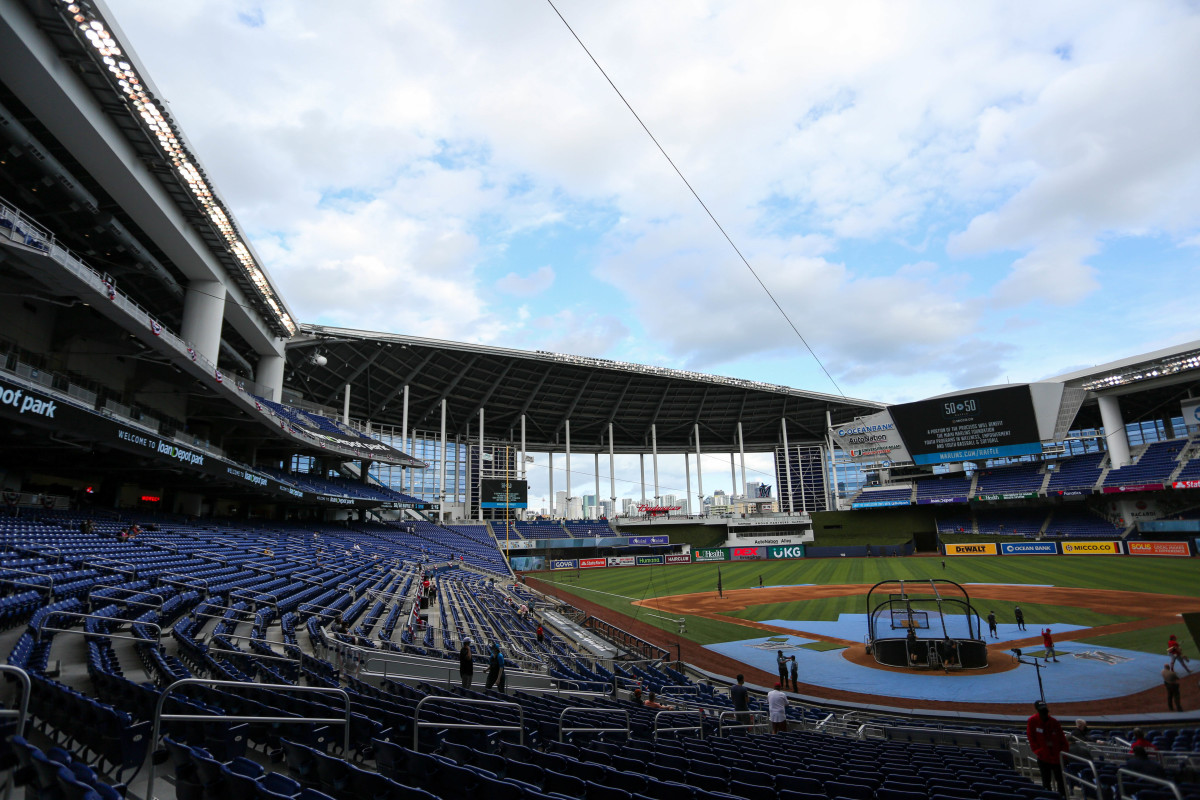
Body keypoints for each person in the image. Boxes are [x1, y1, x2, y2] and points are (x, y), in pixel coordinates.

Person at [1026, 700, 1069, 796]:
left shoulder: (1054, 722)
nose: (1044, 713)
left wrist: (1064, 755)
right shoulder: (1032, 721)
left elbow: (1062, 739)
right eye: (1042, 710)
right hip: (1044, 758)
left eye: (1045, 710)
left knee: (1061, 782)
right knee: (1046, 782)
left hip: (1057, 758)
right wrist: (1039, 752)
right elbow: (1031, 738)